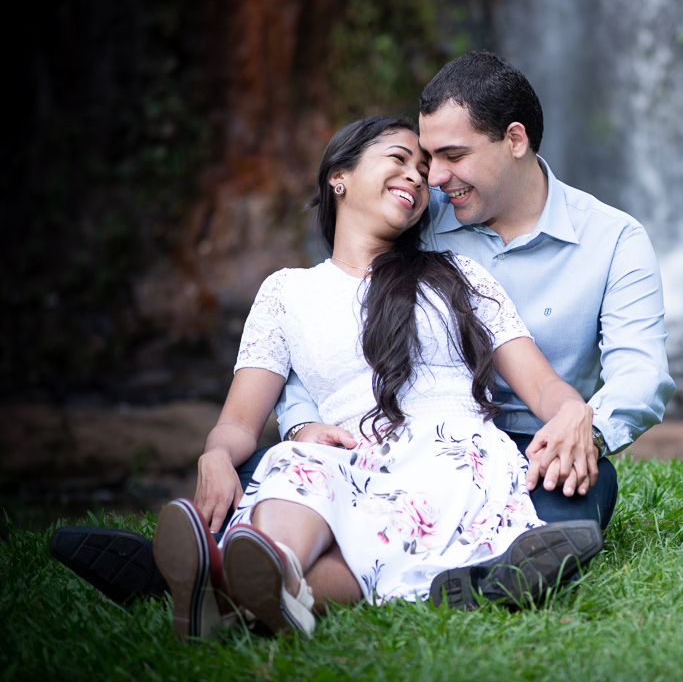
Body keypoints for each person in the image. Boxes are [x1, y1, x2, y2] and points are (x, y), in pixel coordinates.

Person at [51, 50, 675, 609]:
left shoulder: (606, 240)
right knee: (282, 468)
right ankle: (242, 576)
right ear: (339, 177)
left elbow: (637, 374)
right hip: (366, 438)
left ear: (514, 140)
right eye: (420, 160)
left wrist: (580, 421)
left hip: (524, 442)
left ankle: (216, 581)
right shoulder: (412, 224)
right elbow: (325, 347)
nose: (431, 179)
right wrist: (299, 428)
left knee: (572, 494)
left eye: (449, 158)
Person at [152, 115, 603, 640]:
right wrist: (214, 455)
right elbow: (238, 422)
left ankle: (220, 590)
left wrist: (572, 411)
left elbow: (541, 383)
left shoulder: (457, 275)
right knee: (296, 463)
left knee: (393, 519)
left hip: (449, 458)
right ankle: (271, 575)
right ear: (338, 177)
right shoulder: (285, 293)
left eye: (424, 171)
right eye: (399, 159)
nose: (417, 176)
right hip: (348, 455)